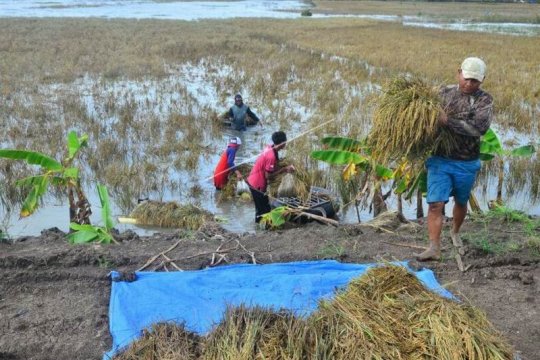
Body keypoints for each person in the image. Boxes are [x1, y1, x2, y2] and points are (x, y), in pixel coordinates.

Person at [416, 57, 493, 261]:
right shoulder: (442, 93)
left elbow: (479, 128)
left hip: (466, 162)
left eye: (474, 81)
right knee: (435, 204)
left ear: (482, 80)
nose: (469, 84)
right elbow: (425, 110)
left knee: (461, 200)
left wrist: (447, 121)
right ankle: (434, 247)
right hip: (439, 159)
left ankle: (455, 231)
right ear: (459, 73)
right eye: (466, 78)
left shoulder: (484, 100)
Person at [247, 131, 295, 223]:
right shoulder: (271, 156)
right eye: (285, 141)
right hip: (257, 185)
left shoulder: (270, 147)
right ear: (282, 143)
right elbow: (268, 176)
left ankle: (263, 226)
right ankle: (260, 229)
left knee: (266, 207)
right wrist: (284, 169)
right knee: (261, 211)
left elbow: (274, 164)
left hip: (253, 180)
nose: (286, 143)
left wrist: (284, 165)